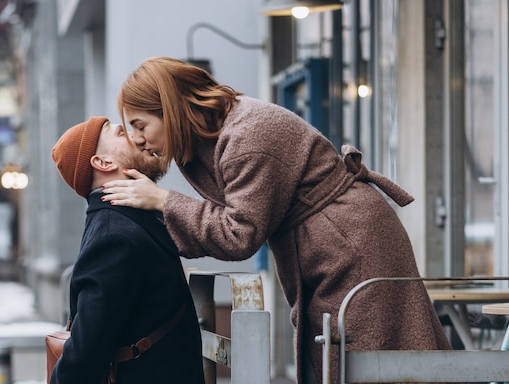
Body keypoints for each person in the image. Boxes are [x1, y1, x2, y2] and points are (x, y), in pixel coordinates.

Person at [102, 57, 452, 383]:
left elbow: (238, 234)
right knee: (341, 358)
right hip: (333, 243)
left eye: (139, 124)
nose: (136, 138)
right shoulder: (212, 138)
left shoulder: (246, 138)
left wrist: (163, 201)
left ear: (171, 110)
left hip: (352, 245)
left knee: (367, 359)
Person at [50, 116, 205, 384]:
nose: (138, 138)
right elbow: (86, 350)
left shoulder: (128, 219)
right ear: (104, 163)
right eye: (122, 133)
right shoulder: (114, 234)